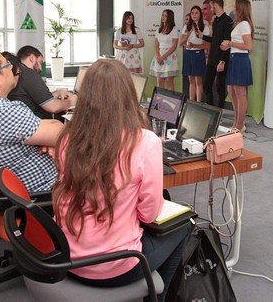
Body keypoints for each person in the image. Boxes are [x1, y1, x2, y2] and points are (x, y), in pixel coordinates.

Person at [52, 59, 190, 301]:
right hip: (115, 267)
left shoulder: (67, 138)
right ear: (128, 96)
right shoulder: (145, 142)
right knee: (184, 226)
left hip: (67, 257)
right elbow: (148, 215)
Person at [0, 42, 63, 192]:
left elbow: (53, 134)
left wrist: (46, 141)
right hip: (45, 189)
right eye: (7, 65)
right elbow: (62, 134)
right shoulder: (2, 113)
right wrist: (51, 139)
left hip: (13, 185)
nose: (13, 68)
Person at [8, 45, 76, 120]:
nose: (41, 68)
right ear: (32, 58)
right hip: (39, 121)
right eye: (40, 62)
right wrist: (71, 101)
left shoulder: (20, 72)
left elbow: (37, 98)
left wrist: (58, 92)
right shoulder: (29, 74)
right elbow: (53, 107)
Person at [221, 0, 254, 132]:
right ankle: (237, 121)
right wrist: (228, 46)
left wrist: (230, 43)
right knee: (231, 91)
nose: (233, 9)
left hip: (241, 59)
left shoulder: (244, 24)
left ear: (240, 8)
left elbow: (248, 46)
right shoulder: (238, 24)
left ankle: (240, 125)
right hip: (234, 58)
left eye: (235, 6)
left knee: (240, 93)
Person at [202, 0, 232, 108]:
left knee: (220, 87)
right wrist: (202, 36)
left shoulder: (228, 21)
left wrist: (222, 61)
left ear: (215, 5)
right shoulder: (216, 21)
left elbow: (227, 43)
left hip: (221, 59)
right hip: (212, 58)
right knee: (206, 85)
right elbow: (215, 40)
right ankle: (211, 109)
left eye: (210, 7)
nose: (210, 9)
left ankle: (220, 110)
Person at [180, 6, 209, 101]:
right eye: (192, 13)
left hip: (198, 54)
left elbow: (207, 45)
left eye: (196, 13)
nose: (194, 15)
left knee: (198, 81)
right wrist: (189, 32)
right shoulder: (186, 27)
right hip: (188, 54)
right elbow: (181, 43)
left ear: (200, 14)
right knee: (191, 80)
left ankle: (198, 103)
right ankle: (191, 102)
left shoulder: (204, 27)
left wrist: (195, 45)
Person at [149, 9, 179, 91]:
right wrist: (158, 56)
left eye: (166, 16)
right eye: (163, 15)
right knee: (160, 80)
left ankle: (170, 99)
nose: (163, 17)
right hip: (159, 56)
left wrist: (163, 57)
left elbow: (174, 46)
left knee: (169, 80)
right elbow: (156, 45)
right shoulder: (158, 30)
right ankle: (160, 98)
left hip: (170, 56)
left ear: (170, 18)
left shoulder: (174, 30)